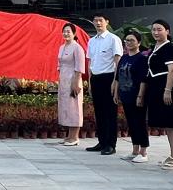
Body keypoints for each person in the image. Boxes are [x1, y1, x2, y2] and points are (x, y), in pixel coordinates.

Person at [144, 20, 173, 169]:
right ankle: (172, 155)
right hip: (156, 87)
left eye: (159, 29)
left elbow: (172, 70)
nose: (156, 32)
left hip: (166, 88)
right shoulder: (155, 47)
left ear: (167, 31)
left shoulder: (169, 48)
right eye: (153, 29)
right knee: (167, 124)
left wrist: (167, 90)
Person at [85, 14, 123, 155]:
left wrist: (115, 81)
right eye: (95, 21)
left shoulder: (113, 39)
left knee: (110, 112)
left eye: (100, 20)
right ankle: (101, 142)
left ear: (107, 22)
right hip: (96, 78)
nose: (98, 23)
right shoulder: (92, 41)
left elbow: (117, 61)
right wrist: (90, 82)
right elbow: (90, 62)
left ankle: (111, 144)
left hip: (109, 78)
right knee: (99, 112)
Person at [116, 31, 149, 162]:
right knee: (131, 122)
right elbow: (118, 77)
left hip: (137, 95)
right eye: (127, 40)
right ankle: (135, 150)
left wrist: (140, 96)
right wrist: (116, 92)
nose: (128, 43)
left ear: (139, 43)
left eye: (132, 40)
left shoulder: (141, 59)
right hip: (125, 95)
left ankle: (143, 151)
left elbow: (143, 79)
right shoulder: (124, 58)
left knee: (139, 122)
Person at [56, 23, 85, 146]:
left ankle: (75, 137)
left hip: (73, 79)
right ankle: (69, 136)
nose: (66, 34)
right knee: (66, 107)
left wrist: (76, 83)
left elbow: (80, 67)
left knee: (74, 107)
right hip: (63, 80)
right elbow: (59, 64)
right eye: (64, 31)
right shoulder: (61, 47)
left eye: (68, 31)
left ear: (74, 34)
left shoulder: (77, 48)